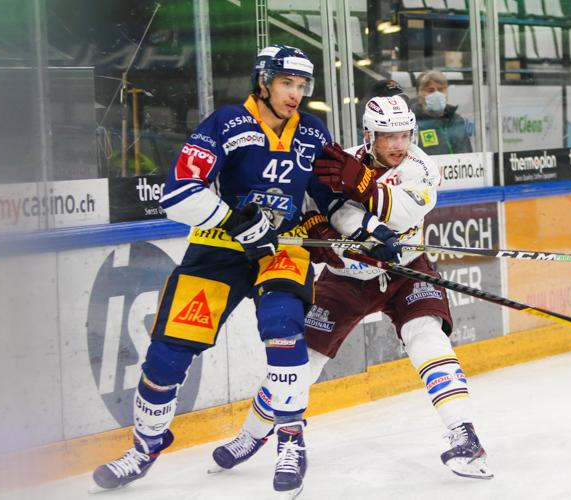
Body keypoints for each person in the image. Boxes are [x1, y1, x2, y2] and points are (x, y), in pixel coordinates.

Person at [91, 44, 339, 499]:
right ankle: (145, 447)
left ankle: (290, 442)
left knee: (283, 328)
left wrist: (365, 228)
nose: (295, 94)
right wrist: (236, 221)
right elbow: (178, 192)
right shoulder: (227, 122)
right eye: (286, 83)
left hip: (281, 248)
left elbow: (332, 197)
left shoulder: (313, 131)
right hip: (217, 249)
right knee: (167, 356)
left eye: (302, 85)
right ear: (263, 81)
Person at [212, 95, 493, 481]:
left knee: (426, 335)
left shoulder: (422, 167)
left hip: (406, 270)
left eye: (405, 135)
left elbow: (401, 213)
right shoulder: (339, 160)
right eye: (388, 136)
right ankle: (252, 434)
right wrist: (317, 225)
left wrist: (362, 185)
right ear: (369, 134)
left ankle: (464, 433)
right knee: (301, 360)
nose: (398, 144)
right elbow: (310, 202)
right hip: (347, 278)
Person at [411, 70, 473, 155]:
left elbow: (467, 154)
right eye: (430, 90)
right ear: (419, 95)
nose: (437, 94)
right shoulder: (412, 123)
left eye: (440, 90)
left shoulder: (456, 120)